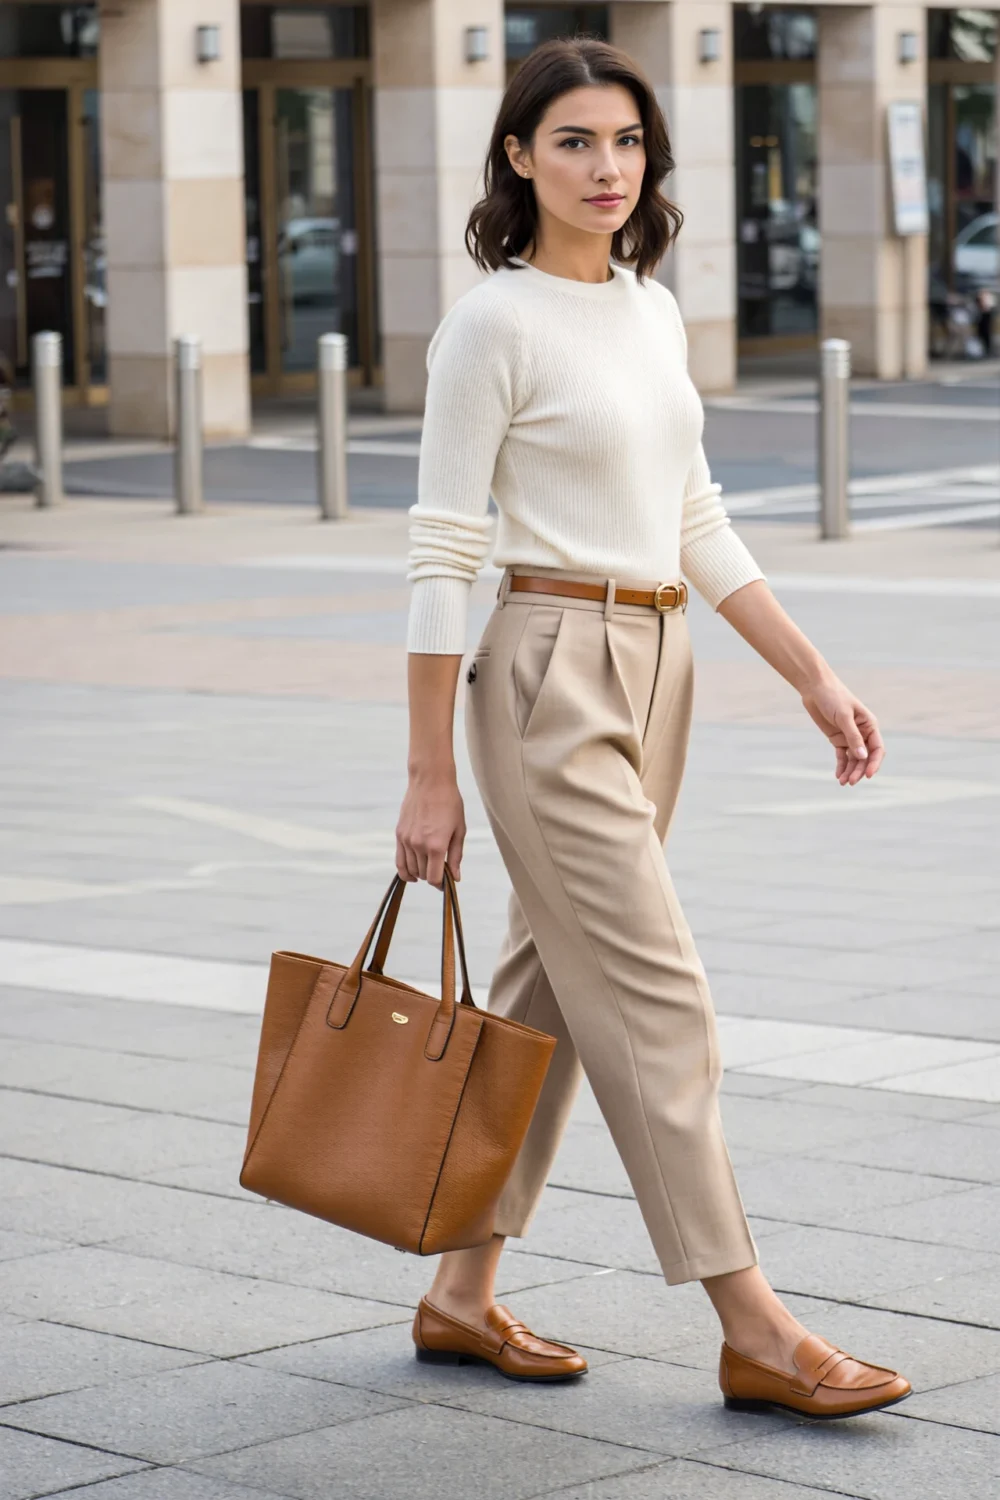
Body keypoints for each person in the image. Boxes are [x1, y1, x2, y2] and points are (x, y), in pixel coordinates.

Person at [395, 36, 911, 1422]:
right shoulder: (490, 322)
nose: (605, 167)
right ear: (517, 156)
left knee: (554, 995)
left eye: (625, 141)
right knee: (661, 996)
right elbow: (444, 544)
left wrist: (807, 673)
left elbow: (695, 517)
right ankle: (754, 1324)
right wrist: (428, 775)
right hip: (545, 666)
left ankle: (458, 1292)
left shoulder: (645, 309)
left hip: (660, 657)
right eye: (572, 141)